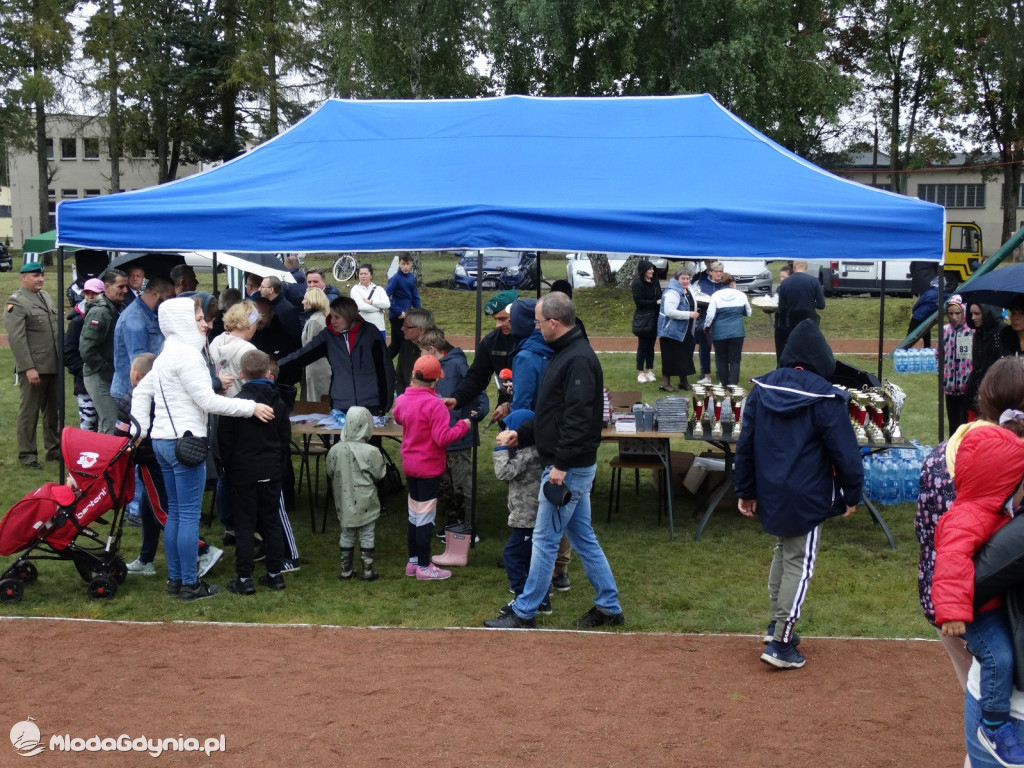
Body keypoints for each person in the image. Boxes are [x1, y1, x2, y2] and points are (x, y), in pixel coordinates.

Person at [484, 292, 624, 630]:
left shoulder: (577, 359)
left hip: (568, 466)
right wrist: (525, 434)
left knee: (545, 539)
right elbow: (552, 413)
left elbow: (577, 418)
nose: (535, 327)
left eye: (538, 321)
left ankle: (526, 610)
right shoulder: (565, 353)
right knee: (582, 537)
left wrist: (560, 465)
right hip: (569, 462)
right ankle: (609, 605)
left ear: (554, 323)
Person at [734, 319, 862, 669]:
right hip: (807, 491)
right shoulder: (826, 396)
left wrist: (745, 489)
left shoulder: (761, 390)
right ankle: (782, 641)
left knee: (784, 550)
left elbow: (745, 445)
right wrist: (853, 492)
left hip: (771, 487)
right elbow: (844, 451)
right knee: (800, 562)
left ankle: (777, 623)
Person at [915, 357, 1024, 766]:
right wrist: (953, 608)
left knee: (978, 681)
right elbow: (951, 548)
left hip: (952, 601)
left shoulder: (950, 452)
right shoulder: (995, 474)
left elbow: (925, 534)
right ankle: (992, 729)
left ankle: (984, 734)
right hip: (964, 607)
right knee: (994, 667)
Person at [131, 296, 275, 602]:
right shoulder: (187, 355)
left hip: (162, 442)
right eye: (199, 319)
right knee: (186, 517)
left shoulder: (167, 352)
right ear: (183, 322)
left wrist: (140, 429)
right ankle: (189, 583)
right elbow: (208, 401)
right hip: (186, 443)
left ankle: (175, 580)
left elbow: (142, 390)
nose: (206, 324)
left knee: (174, 515)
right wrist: (250, 407)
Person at [117, 353, 224, 580]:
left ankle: (203, 550)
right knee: (150, 508)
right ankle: (146, 558)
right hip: (167, 453)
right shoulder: (170, 395)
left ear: (136, 375)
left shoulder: (131, 398)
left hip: (150, 460)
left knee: (166, 512)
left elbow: (121, 434)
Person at [219, 349, 291, 595]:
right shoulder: (278, 401)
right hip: (269, 469)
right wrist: (278, 467)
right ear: (268, 373)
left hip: (244, 471)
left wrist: (229, 468)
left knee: (245, 523)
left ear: (241, 373)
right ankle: (275, 573)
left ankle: (244, 577)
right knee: (271, 521)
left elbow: (224, 442)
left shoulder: (235, 404)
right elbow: (284, 440)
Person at [392, 355, 471, 581]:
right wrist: (463, 426)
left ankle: (413, 561)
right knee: (425, 518)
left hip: (410, 464)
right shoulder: (435, 405)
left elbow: (398, 416)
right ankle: (425, 567)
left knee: (413, 514)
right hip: (428, 467)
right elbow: (442, 437)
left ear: (413, 376)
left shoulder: (404, 400)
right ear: (436, 381)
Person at [417, 327, 489, 542]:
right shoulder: (431, 369)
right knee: (444, 485)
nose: (419, 356)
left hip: (459, 436)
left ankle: (468, 527)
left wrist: (478, 413)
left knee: (462, 485)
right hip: (438, 439)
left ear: (432, 349)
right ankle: (450, 524)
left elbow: (478, 389)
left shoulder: (457, 364)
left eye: (421, 352)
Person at [277, 296, 394, 416]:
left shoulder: (370, 332)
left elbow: (385, 369)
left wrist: (385, 403)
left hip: (371, 404)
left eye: (337, 317)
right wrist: (274, 367)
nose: (333, 321)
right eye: (331, 316)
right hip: (341, 405)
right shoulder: (328, 336)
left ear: (349, 316)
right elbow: (301, 356)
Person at [492, 408, 551, 615]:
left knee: (512, 557)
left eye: (509, 429)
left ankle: (522, 598)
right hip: (531, 516)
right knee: (531, 560)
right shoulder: (533, 451)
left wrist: (500, 449)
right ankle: (541, 601)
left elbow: (503, 472)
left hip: (528, 517)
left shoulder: (527, 454)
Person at [4, 262, 60, 468]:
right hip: (34, 368)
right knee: (29, 413)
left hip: (52, 364)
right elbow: (17, 339)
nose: (40, 279)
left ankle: (53, 450)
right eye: (36, 276)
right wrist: (28, 368)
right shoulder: (16, 302)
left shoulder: (45, 297)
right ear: (23, 277)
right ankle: (27, 455)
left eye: (42, 276)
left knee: (53, 411)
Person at [325, 405, 386, 581]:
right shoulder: (371, 451)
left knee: (347, 532)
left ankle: (346, 570)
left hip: (344, 499)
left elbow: (329, 470)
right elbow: (380, 474)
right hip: (366, 499)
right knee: (367, 532)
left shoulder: (335, 449)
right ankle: (367, 570)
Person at [443, 289, 518, 426]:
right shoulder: (491, 342)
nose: (498, 325)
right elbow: (476, 377)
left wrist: (512, 404)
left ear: (517, 313)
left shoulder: (536, 338)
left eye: (502, 319)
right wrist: (456, 399)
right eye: (495, 320)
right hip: (506, 417)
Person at [80, 268, 129, 434]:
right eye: (121, 287)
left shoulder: (116, 308)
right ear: (107, 287)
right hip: (98, 374)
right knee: (110, 420)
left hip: (108, 373)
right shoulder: (101, 312)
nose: (125, 291)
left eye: (126, 287)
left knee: (107, 421)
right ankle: (108, 458)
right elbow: (87, 349)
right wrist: (106, 370)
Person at [111, 275, 174, 401]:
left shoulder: (149, 314)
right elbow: (139, 364)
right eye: (168, 297)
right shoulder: (134, 320)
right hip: (132, 394)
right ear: (155, 294)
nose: (170, 301)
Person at [64, 277, 104, 432]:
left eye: (94, 293)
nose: (90, 297)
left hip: (104, 378)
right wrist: (84, 373)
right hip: (83, 382)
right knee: (87, 424)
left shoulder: (109, 314)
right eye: (87, 293)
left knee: (104, 422)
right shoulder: (77, 321)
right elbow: (68, 352)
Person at [703, 273, 752, 386]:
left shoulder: (716, 295)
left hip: (719, 333)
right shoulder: (741, 295)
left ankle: (724, 384)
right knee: (735, 360)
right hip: (737, 332)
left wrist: (706, 327)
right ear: (733, 283)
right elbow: (748, 312)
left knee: (722, 359)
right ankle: (733, 385)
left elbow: (710, 315)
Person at [657, 266, 699, 392]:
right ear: (677, 279)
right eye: (683, 278)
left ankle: (683, 382)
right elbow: (670, 312)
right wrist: (689, 315)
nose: (686, 281)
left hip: (685, 330)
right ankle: (665, 383)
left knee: (685, 356)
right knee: (670, 357)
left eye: (688, 278)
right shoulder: (672, 292)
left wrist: (694, 319)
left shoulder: (688, 289)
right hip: (670, 332)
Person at [209, 301, 260, 398]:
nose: (256, 328)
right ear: (249, 325)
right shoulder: (249, 350)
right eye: (256, 323)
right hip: (239, 406)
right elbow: (255, 387)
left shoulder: (216, 341)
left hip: (216, 404)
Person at [774, 259, 826, 354]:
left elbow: (781, 307)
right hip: (809, 322)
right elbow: (821, 305)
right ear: (806, 267)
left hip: (790, 324)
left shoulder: (785, 283)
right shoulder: (814, 281)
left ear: (794, 267)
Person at [965, 303, 1005, 420]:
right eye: (971, 314)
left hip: (993, 391)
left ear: (987, 313)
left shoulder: (1001, 332)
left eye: (977, 314)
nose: (973, 318)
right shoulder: (979, 332)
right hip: (975, 390)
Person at [943, 295, 974, 435]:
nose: (954, 317)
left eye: (957, 313)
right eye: (951, 313)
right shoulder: (945, 330)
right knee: (952, 423)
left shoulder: (971, 331)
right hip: (949, 386)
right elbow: (939, 353)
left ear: (963, 312)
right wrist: (941, 373)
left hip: (966, 386)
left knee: (964, 423)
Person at [631, 259, 662, 383]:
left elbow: (660, 296)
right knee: (643, 345)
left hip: (655, 317)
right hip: (643, 319)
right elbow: (639, 303)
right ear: (643, 270)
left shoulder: (655, 282)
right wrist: (655, 302)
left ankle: (650, 370)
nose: (652, 271)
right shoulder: (637, 284)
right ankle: (640, 372)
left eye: (652, 269)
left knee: (651, 346)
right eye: (649, 269)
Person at [299, 287, 332, 403]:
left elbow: (311, 348)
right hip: (319, 367)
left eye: (305, 299)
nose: (302, 302)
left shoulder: (315, 321)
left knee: (316, 402)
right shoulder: (321, 318)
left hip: (317, 369)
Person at [385, 253, 421, 358]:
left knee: (396, 346)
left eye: (408, 264)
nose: (405, 267)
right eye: (403, 264)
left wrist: (419, 312)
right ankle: (403, 369)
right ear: (399, 263)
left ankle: (381, 364)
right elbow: (384, 297)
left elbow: (415, 296)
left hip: (408, 317)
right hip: (397, 317)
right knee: (405, 344)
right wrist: (398, 311)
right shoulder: (395, 279)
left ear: (411, 264)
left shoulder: (411, 277)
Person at [694, 260, 724, 385]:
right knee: (704, 348)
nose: (719, 274)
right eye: (716, 271)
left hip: (720, 321)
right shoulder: (701, 283)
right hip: (704, 321)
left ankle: (720, 373)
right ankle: (705, 373)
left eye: (721, 271)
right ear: (710, 272)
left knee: (720, 349)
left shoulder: (724, 285)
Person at [393, 308, 434, 395]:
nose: (402, 328)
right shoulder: (406, 346)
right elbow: (400, 376)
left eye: (407, 326)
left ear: (421, 330)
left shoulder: (437, 351)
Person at [259, 275, 302, 351]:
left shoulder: (288, 310)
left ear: (271, 290)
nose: (259, 289)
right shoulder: (267, 305)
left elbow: (296, 338)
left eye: (262, 287)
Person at [350, 263, 390, 339]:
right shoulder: (355, 289)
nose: (363, 276)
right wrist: (379, 308)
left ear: (371, 275)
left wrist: (372, 302)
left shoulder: (379, 289)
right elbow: (360, 306)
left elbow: (387, 304)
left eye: (365, 274)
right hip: (362, 328)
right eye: (361, 274)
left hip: (379, 327)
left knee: (379, 350)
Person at [909, 278, 940, 349]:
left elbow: (919, 302)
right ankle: (927, 347)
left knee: (910, 333)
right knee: (926, 332)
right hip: (927, 317)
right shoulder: (944, 294)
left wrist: (913, 311)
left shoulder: (929, 292)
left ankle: (905, 348)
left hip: (918, 315)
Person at [772, 264, 793, 363]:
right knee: (779, 351)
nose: (782, 279)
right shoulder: (779, 288)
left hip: (790, 324)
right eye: (781, 277)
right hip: (779, 324)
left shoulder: (794, 289)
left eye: (784, 277)